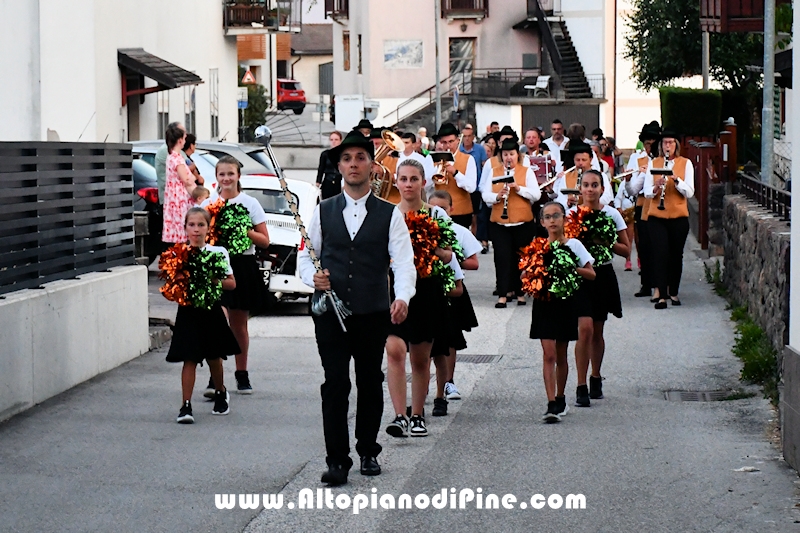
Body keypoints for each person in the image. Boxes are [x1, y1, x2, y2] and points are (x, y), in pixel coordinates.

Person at [297, 130, 416, 486]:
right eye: (347, 159)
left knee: (369, 380)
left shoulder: (390, 214)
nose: (353, 164)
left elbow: (404, 262)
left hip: (372, 310)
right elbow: (306, 257)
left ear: (372, 165)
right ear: (340, 166)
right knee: (335, 383)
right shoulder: (322, 210)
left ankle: (367, 450)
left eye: (360, 158)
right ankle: (337, 460)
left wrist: (403, 297)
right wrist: (311, 279)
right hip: (330, 313)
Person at [385, 159, 463, 437]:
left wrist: (426, 246)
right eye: (403, 179)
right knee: (394, 350)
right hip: (395, 290)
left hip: (427, 288)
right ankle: (399, 415)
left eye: (413, 179)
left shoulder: (436, 215)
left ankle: (417, 414)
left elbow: (449, 253)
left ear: (423, 182)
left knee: (420, 358)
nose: (408, 184)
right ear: (396, 182)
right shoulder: (389, 214)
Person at [201, 156, 270, 395]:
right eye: (222, 174)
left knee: (239, 325)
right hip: (216, 265)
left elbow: (265, 240)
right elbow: (196, 234)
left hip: (242, 265)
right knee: (216, 322)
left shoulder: (250, 204)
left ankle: (242, 374)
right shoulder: (209, 205)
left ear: (238, 176)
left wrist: (244, 229)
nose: (226, 178)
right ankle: (215, 377)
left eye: (230, 174)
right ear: (216, 177)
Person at [165, 207, 239, 424]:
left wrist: (210, 279)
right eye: (191, 225)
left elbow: (231, 283)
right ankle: (186, 405)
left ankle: (221, 391)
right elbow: (171, 287)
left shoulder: (218, 253)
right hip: (188, 310)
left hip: (211, 309)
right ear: (185, 227)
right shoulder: (178, 255)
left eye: (201, 225)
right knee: (189, 357)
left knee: (214, 356)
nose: (196, 230)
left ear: (208, 228)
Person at [525, 201, 595, 422]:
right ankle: (551, 403)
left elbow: (591, 274)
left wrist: (571, 268)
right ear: (542, 222)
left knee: (561, 354)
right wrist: (532, 275)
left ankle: (561, 395)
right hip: (544, 302)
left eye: (557, 215)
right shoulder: (538, 246)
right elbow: (524, 275)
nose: (553, 220)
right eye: (548, 216)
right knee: (549, 354)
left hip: (565, 302)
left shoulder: (574, 245)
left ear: (564, 219)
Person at [569, 170, 630, 406]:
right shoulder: (573, 214)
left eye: (595, 185)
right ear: (580, 188)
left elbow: (626, 250)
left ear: (602, 189)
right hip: (582, 275)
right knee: (583, 329)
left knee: (597, 330)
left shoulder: (611, 214)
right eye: (586, 185)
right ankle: (580, 385)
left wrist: (604, 240)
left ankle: (596, 377)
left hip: (603, 273)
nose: (590, 189)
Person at [428, 190, 481, 411]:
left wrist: (450, 258)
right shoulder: (422, 231)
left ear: (451, 209)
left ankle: (448, 382)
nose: (438, 212)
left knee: (450, 338)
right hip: (428, 289)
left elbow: (474, 262)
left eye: (442, 208)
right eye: (433, 208)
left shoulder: (459, 232)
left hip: (451, 288)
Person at [481, 139, 541, 308]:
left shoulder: (526, 171)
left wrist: (519, 188)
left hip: (523, 223)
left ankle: (520, 292)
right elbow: (485, 195)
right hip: (500, 223)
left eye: (512, 154)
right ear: (501, 156)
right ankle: (502, 294)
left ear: (518, 155)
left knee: (520, 259)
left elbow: (536, 195)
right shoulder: (494, 172)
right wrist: (497, 197)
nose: (509, 158)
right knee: (502, 258)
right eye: (505, 155)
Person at [643, 129, 694, 309]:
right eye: (665, 143)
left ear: (676, 145)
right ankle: (662, 295)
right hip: (657, 216)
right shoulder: (654, 163)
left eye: (671, 142)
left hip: (679, 217)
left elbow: (690, 191)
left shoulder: (685, 163)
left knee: (675, 255)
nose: (668, 146)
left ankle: (674, 291)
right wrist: (656, 187)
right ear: (661, 145)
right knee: (660, 253)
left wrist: (676, 180)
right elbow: (646, 192)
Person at [627, 121, 662, 297]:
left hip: (660, 205)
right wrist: (641, 174)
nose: (650, 147)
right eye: (647, 143)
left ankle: (659, 284)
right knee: (644, 246)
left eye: (653, 142)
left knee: (658, 246)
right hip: (642, 204)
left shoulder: (663, 159)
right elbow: (631, 189)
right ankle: (646, 284)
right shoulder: (636, 158)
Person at [432, 123, 478, 228]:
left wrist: (455, 173)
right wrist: (437, 169)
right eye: (444, 142)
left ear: (458, 140)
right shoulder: (433, 159)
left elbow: (471, 187)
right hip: (439, 211)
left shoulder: (468, 159)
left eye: (451, 142)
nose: (448, 146)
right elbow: (425, 185)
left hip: (462, 213)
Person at [162, 123, 196, 246]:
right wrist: (192, 177)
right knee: (181, 227)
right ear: (180, 140)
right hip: (179, 198)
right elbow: (186, 179)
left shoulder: (171, 156)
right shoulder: (177, 158)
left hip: (173, 197)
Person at [552, 140, 613, 209]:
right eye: (577, 160)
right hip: (573, 213)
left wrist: (588, 201)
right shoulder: (566, 177)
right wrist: (567, 202)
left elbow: (607, 197)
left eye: (584, 160)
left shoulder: (601, 176)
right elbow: (560, 199)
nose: (580, 163)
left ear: (590, 159)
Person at [156, 121, 185, 204]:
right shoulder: (169, 152)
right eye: (183, 133)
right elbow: (186, 172)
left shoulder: (175, 152)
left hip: (177, 198)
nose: (185, 136)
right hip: (173, 199)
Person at [613, 174, 636, 271]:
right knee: (627, 238)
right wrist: (618, 208)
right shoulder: (623, 184)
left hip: (634, 212)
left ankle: (640, 258)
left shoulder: (638, 182)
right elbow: (618, 197)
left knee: (637, 239)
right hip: (625, 213)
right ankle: (628, 260)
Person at [316, 131, 343, 200]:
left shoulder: (344, 154)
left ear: (340, 141)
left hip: (339, 182)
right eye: (331, 140)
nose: (334, 142)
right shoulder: (325, 154)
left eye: (336, 140)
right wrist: (318, 182)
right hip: (327, 182)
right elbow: (321, 169)